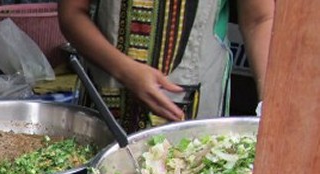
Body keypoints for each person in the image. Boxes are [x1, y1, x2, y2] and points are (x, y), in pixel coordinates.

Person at [58, 0, 274, 132]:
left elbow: (259, 18)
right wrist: (125, 70)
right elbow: (72, 13)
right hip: (105, 109)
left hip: (197, 114)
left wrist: (270, 103)